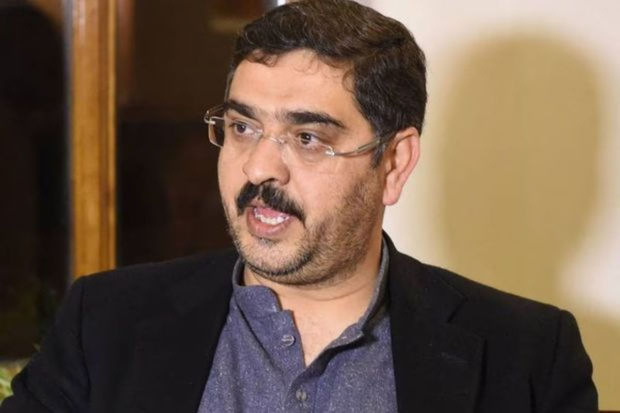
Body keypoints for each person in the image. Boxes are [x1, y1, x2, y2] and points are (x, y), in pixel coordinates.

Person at [1, 1, 597, 412]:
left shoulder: (527, 358)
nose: (259, 168)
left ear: (393, 163)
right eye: (242, 127)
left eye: (307, 138)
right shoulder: (106, 324)